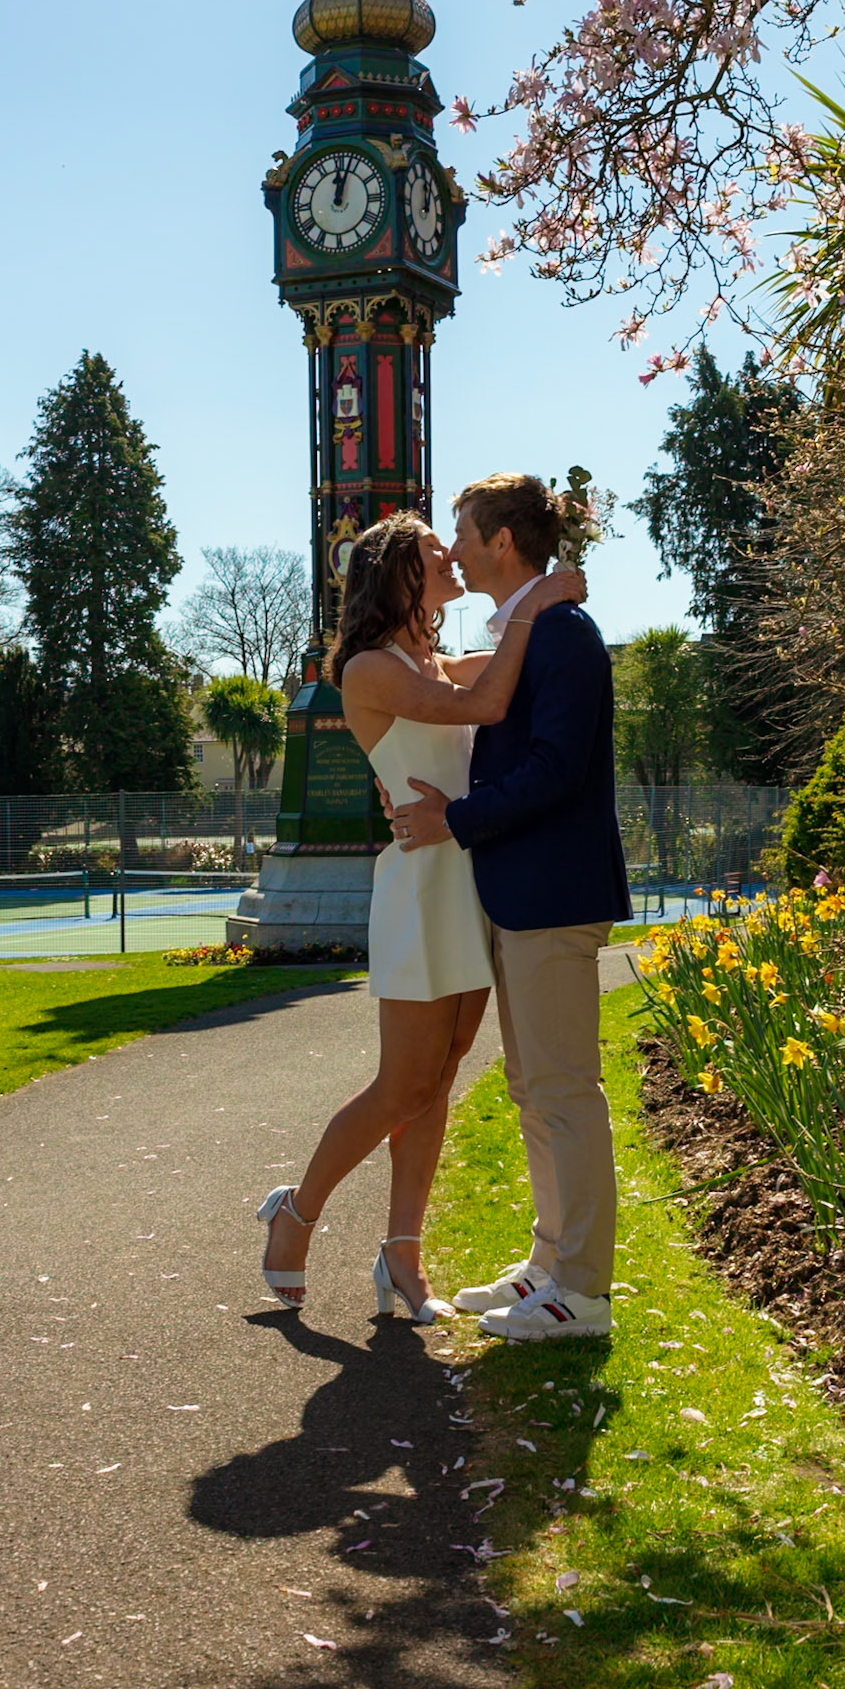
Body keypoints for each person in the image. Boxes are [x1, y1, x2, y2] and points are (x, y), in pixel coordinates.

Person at [257, 512, 584, 1321]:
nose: (450, 556)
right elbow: (489, 701)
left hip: (466, 877)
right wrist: (539, 599)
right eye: (433, 552)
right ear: (397, 573)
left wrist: (547, 612)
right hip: (416, 889)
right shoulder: (368, 669)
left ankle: (403, 1253)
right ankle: (295, 1214)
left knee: (438, 1082)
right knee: (399, 1084)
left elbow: (509, 669)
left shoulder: (428, 660)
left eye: (451, 544)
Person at [388, 473, 630, 1341]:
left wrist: (451, 819)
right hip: (521, 893)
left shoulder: (563, 633)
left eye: (461, 530)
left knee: (565, 1090)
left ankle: (585, 1294)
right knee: (536, 1088)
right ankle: (550, 1265)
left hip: (553, 896)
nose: (451, 548)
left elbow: (556, 772)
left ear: (501, 541)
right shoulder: (533, 628)